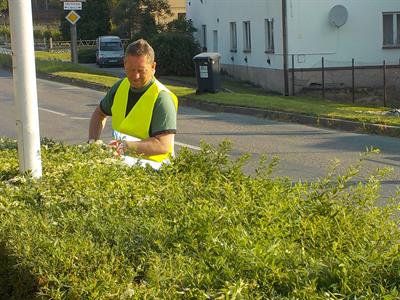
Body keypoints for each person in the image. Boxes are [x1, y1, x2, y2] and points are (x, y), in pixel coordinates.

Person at [88, 39, 178, 169]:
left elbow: (162, 145)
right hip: (124, 165)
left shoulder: (162, 98)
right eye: (131, 69)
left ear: (153, 67)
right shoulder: (120, 86)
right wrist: (93, 143)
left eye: (141, 70)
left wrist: (124, 146)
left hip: (155, 170)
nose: (135, 76)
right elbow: (100, 113)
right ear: (124, 64)